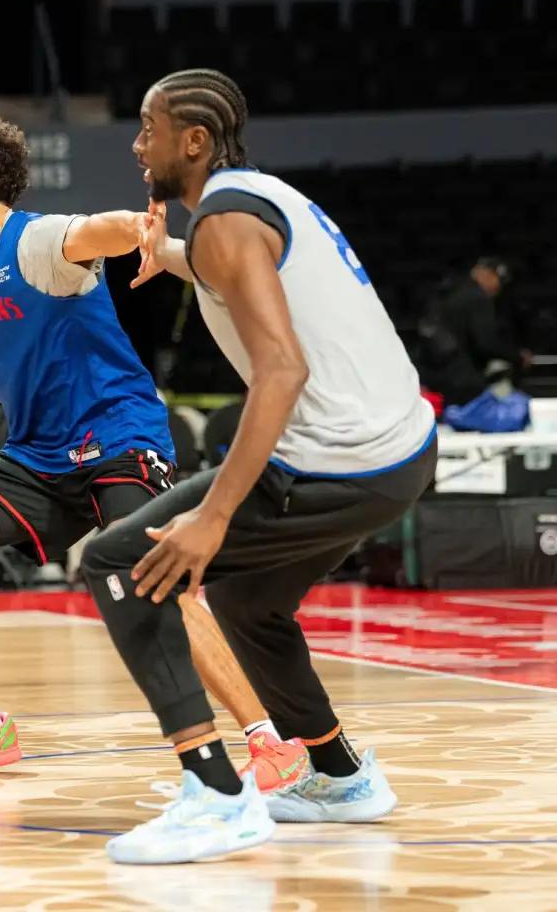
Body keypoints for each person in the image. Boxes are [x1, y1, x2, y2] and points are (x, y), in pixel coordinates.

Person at [0, 107, 300, 783]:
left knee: (157, 579)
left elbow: (98, 233)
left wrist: (140, 228)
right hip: (37, 455)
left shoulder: (37, 243)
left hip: (118, 435)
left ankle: (271, 743)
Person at [80, 69, 438, 865]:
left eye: (149, 129)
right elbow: (240, 271)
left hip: (335, 460)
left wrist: (208, 520)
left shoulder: (227, 224)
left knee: (117, 562)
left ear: (194, 141)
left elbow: (281, 371)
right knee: (248, 601)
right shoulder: (255, 200)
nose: (138, 146)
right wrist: (166, 252)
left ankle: (216, 796)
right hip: (402, 449)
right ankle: (341, 775)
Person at [417, 256, 531, 407]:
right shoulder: (477, 298)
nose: (497, 284)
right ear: (479, 272)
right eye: (494, 277)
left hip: (437, 373)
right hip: (463, 379)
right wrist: (517, 356)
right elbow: (486, 342)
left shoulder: (452, 291)